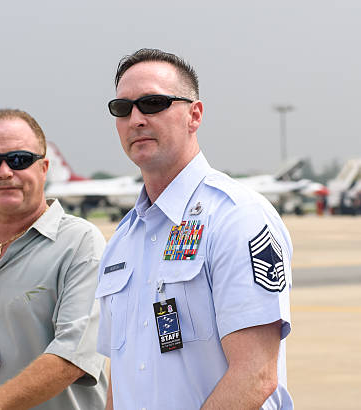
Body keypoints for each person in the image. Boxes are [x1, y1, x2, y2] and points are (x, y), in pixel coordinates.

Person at [96, 48, 294, 409]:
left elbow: (255, 375)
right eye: (123, 109)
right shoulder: (123, 240)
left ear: (194, 115)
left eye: (153, 103)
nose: (136, 119)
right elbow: (119, 379)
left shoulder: (237, 218)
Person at [0, 109, 107, 410]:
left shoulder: (80, 244)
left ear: (44, 167)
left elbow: (72, 357)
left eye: (19, 159)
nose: (5, 172)